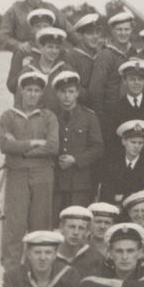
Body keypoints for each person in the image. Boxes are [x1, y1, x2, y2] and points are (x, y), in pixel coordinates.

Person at [0, 68, 60, 268]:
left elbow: (53, 146)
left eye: (36, 91)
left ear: (41, 93)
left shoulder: (48, 117)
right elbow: (4, 145)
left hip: (43, 175)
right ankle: (11, 272)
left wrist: (21, 150)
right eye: (29, 90)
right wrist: (33, 143)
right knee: (15, 226)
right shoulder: (8, 116)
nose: (32, 94)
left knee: (40, 227)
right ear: (22, 91)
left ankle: (40, 270)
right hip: (17, 175)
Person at [49, 69, 103, 213]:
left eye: (71, 91)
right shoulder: (50, 117)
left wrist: (75, 159)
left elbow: (98, 148)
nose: (67, 96)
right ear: (57, 93)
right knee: (53, 221)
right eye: (63, 91)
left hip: (79, 184)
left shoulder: (89, 117)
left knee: (78, 220)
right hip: (55, 183)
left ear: (77, 93)